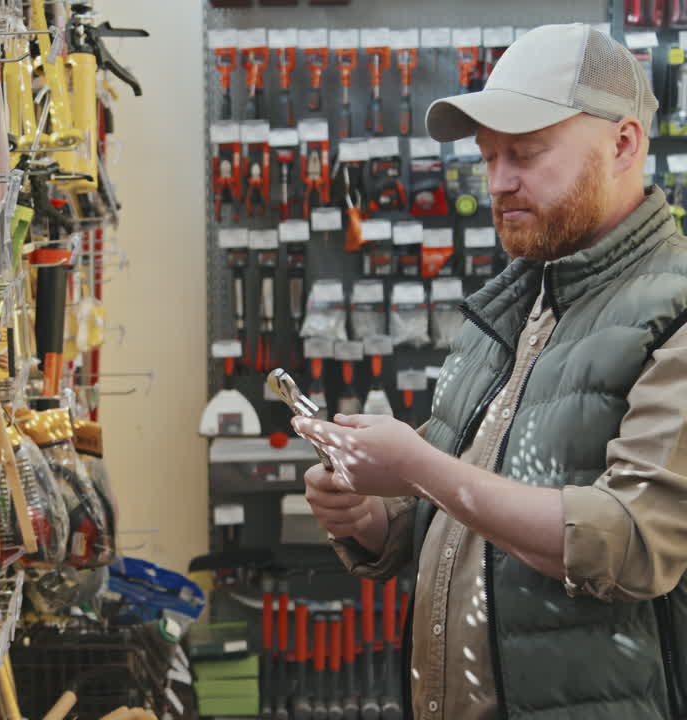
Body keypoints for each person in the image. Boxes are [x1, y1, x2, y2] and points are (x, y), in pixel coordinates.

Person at [293, 23, 687, 720]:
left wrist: (420, 470)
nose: (498, 182)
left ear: (623, 143)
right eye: (489, 156)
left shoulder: (674, 309)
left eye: (527, 154)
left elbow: (631, 542)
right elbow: (465, 506)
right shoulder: (522, 298)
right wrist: (372, 518)